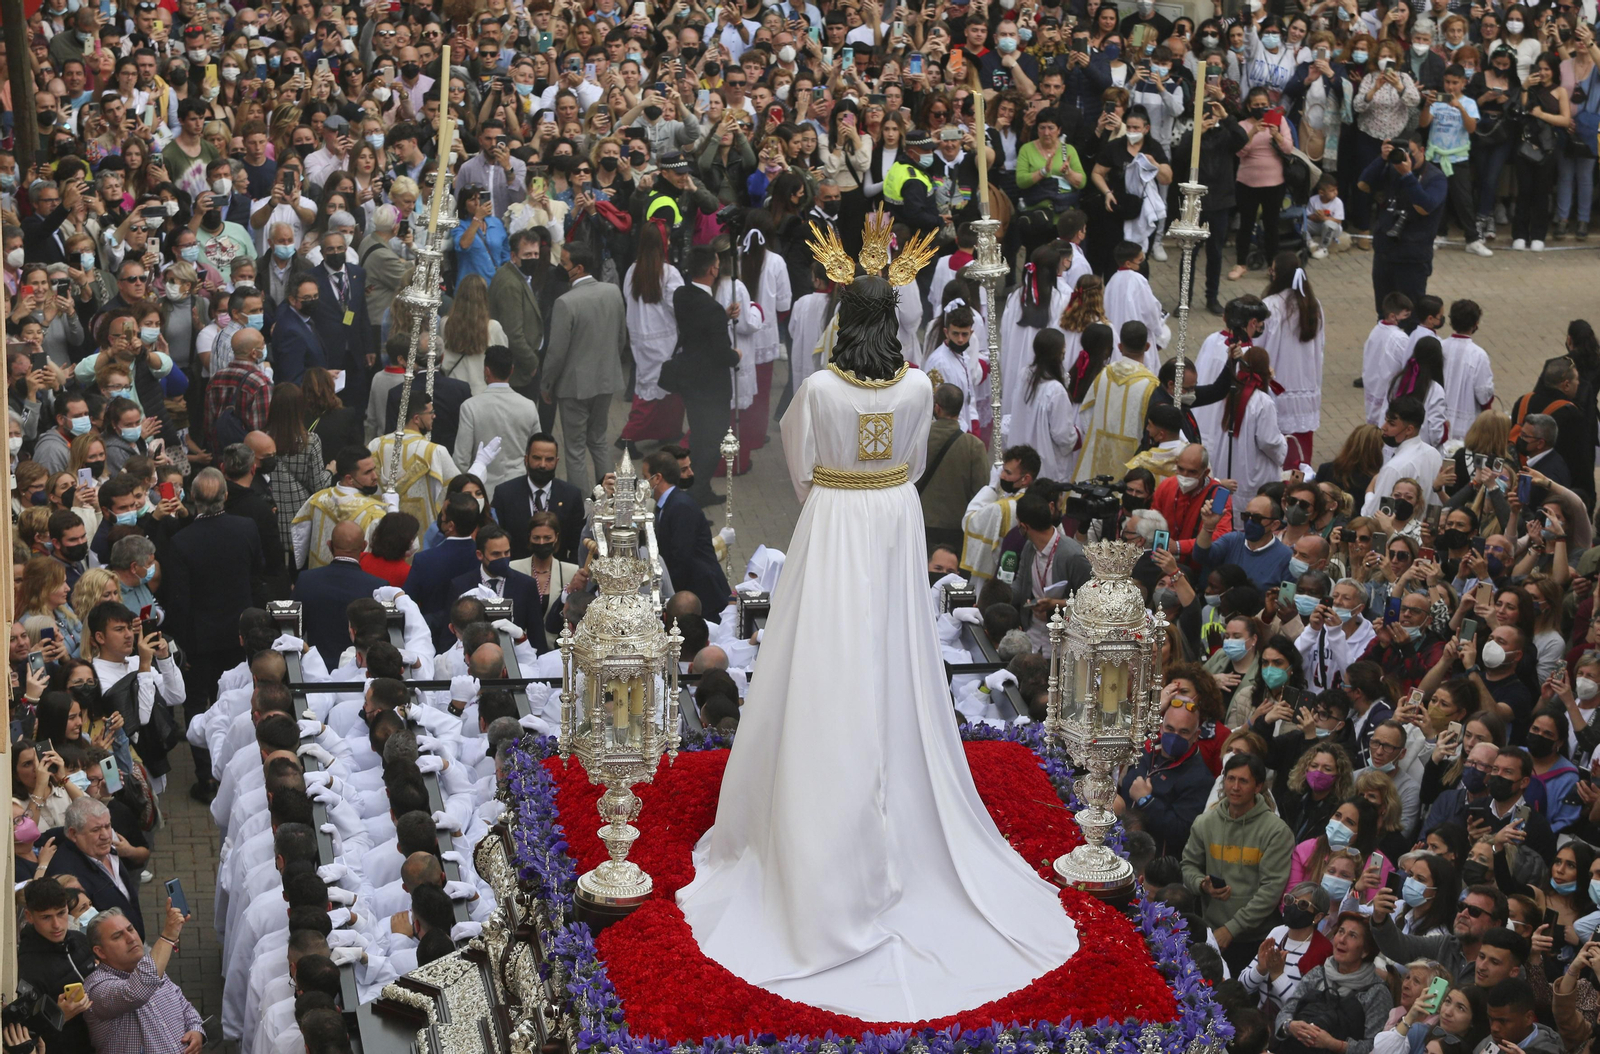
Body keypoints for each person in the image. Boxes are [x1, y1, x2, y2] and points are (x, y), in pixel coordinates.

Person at [676, 259, 1080, 1021]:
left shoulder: (821, 389)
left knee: (823, 660)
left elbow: (800, 469)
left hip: (835, 519)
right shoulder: (922, 385)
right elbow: (916, 464)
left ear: (840, 320)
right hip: (892, 519)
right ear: (893, 320)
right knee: (893, 661)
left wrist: (840, 491)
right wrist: (879, 486)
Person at [163, 468, 264, 790]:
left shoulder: (181, 541)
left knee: (197, 704)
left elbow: (179, 600)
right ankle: (236, 767)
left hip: (199, 640)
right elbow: (257, 574)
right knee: (237, 698)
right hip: (239, 636)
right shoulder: (246, 528)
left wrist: (181, 646)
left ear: (192, 498)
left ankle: (206, 775)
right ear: (226, 495)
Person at [1182, 752, 1295, 974]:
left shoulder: (1276, 831)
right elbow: (1187, 865)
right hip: (1210, 932)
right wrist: (1201, 884)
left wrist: (1232, 929)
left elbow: (1271, 890)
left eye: (1243, 781)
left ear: (1258, 786)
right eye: (1230, 778)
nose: (1234, 786)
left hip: (1255, 939)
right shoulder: (1205, 822)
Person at [540, 242, 628, 493]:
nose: (560, 266)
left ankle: (580, 506)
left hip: (574, 387)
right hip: (606, 380)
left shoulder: (565, 302)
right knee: (599, 441)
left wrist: (547, 384)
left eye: (564, 263)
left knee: (575, 449)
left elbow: (556, 353)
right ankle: (608, 500)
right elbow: (621, 338)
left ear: (578, 268)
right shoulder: (612, 292)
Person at [670, 246, 744, 507]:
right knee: (711, 444)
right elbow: (720, 353)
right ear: (713, 269)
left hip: (690, 379)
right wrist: (736, 355)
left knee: (699, 435)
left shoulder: (682, 295)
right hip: (711, 387)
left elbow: (696, 327)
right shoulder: (710, 307)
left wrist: (720, 316)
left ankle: (698, 490)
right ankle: (696, 493)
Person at [82, 904, 206, 1053]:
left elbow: (183, 1005)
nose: (130, 938)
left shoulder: (148, 965)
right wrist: (168, 937)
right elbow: (135, 993)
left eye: (130, 929)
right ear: (100, 952)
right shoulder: (96, 988)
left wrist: (196, 1030)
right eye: (117, 936)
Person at [1117, 687, 1214, 856]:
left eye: (1183, 732)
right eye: (1170, 729)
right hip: (1119, 845)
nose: (1175, 736)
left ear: (1196, 735)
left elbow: (1181, 831)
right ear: (1161, 728)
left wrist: (1146, 800)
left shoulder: (1199, 777)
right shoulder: (1145, 750)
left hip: (1154, 864)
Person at [1359, 135, 1447, 316]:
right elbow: (1363, 185)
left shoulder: (1435, 178)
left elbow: (1424, 207)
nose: (1406, 157)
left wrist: (1407, 176)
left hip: (1412, 259)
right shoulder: (1391, 170)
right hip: (1385, 254)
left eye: (1411, 153)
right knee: (1384, 315)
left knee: (1409, 316)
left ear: (1422, 151)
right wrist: (1382, 159)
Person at [620, 223, 686, 452]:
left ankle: (667, 431)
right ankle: (628, 436)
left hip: (640, 337)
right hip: (664, 340)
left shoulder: (632, 271)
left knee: (660, 387)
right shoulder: (669, 273)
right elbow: (678, 306)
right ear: (662, 242)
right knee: (652, 390)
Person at [646, 451, 731, 624]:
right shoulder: (666, 504)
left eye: (645, 477)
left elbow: (681, 557)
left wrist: (668, 594)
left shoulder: (680, 507)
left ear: (657, 478)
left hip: (703, 596)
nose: (643, 483)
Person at [44, 796, 145, 939]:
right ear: (73, 834)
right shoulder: (67, 877)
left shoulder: (107, 850)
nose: (105, 836)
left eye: (107, 826)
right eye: (96, 829)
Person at [293, 521, 389, 667]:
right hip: (361, 672)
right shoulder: (378, 587)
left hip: (316, 670)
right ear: (364, 546)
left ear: (329, 545)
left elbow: (294, 632)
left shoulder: (307, 580)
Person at [1260, 255, 1325, 467]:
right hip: (1305, 386)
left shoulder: (1270, 306)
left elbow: (1258, 347)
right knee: (1300, 453)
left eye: (1272, 269)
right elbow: (1320, 348)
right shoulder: (1313, 305)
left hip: (1278, 386)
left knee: (1277, 452)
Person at [17, 877, 96, 1051]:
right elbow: (27, 1033)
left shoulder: (81, 940)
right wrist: (58, 1016)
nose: (56, 925)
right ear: (29, 916)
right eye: (46, 917)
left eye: (61, 913)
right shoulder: (26, 969)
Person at [1073, 321, 1158, 480]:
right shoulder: (1151, 384)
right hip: (1131, 459)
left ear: (1119, 347)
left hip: (1099, 452)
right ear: (1147, 346)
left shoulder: (1104, 374)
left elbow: (1085, 415)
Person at [367, 394, 460, 536]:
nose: (434, 416)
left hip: (379, 525)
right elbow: (456, 489)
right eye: (431, 413)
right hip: (419, 531)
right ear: (416, 419)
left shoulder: (375, 445)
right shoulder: (434, 451)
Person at [453, 346, 542, 492]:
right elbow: (538, 450)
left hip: (483, 490)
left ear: (486, 371)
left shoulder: (470, 407)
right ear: (512, 370)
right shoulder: (528, 406)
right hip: (519, 488)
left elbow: (461, 460)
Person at [490, 433, 585, 563]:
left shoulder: (571, 496)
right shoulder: (505, 494)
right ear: (526, 459)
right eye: (537, 458)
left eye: (549, 459)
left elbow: (577, 545)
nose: (542, 465)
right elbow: (495, 540)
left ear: (557, 461)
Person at [919, 383, 990, 554]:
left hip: (921, 522)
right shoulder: (973, 446)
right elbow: (981, 491)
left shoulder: (919, 440)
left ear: (937, 407)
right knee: (952, 576)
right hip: (957, 527)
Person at [289, 447, 388, 569]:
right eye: (368, 472)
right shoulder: (374, 514)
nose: (375, 476)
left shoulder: (317, 499)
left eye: (374, 469)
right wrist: (393, 510)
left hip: (318, 575)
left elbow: (299, 541)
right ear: (349, 479)